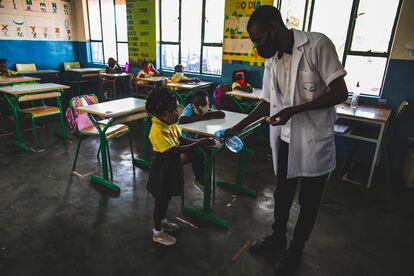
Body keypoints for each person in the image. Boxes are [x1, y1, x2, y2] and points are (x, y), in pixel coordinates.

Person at [222, 5, 348, 275]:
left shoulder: (317, 45)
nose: (257, 46)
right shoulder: (273, 59)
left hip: (314, 141)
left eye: (258, 39)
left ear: (274, 28)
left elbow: (340, 92)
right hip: (286, 139)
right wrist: (237, 127)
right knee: (282, 195)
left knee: (309, 202)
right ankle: (277, 238)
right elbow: (267, 102)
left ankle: (296, 250)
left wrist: (294, 110)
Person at [145, 87, 213, 246]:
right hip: (163, 168)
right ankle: (157, 233)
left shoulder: (169, 123)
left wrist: (199, 142)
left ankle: (162, 222)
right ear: (161, 114)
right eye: (173, 111)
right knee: (161, 199)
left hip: (171, 165)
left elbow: (181, 139)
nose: (177, 113)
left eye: (176, 109)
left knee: (166, 196)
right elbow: (173, 150)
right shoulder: (157, 130)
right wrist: (198, 144)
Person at [178, 90, 225, 191]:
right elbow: (182, 120)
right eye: (197, 105)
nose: (200, 107)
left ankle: (205, 177)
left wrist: (207, 113)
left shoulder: (206, 109)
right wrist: (200, 117)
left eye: (203, 104)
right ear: (192, 104)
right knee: (197, 155)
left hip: (195, 138)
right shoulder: (189, 108)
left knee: (208, 150)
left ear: (208, 104)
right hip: (183, 140)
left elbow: (221, 114)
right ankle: (199, 180)